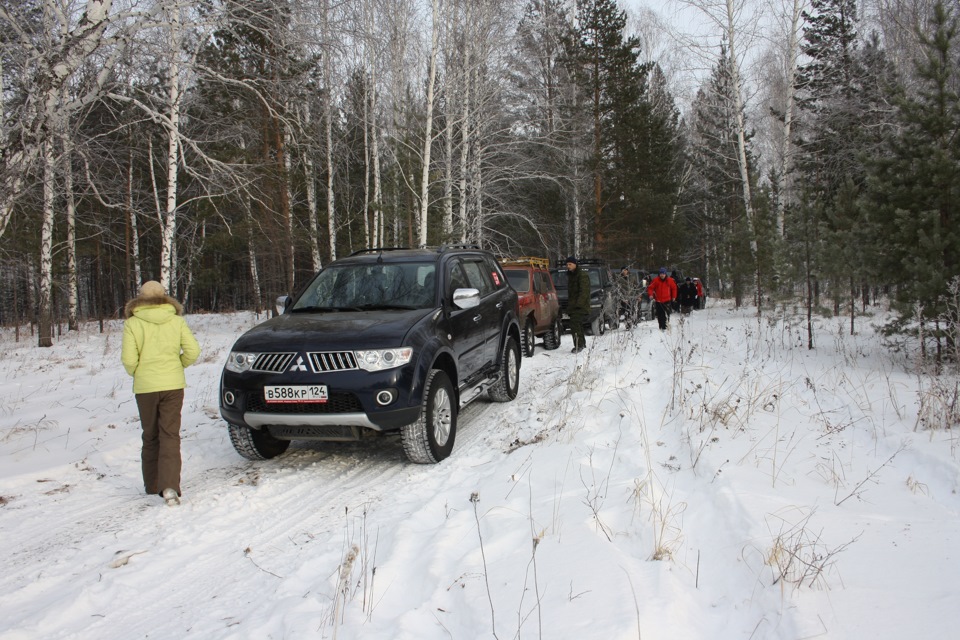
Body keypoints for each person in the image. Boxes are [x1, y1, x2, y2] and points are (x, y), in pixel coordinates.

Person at [122, 281, 201, 506]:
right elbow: (193, 351)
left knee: (150, 434)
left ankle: (152, 483)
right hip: (173, 384)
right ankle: (169, 487)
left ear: (140, 298)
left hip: (145, 386)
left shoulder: (132, 323)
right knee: (170, 434)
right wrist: (178, 365)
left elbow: (129, 360)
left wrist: (138, 372)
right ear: (164, 297)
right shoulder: (176, 321)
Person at [565, 257, 590, 352]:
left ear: (575, 264)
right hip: (573, 305)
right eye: (567, 265)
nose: (568, 266)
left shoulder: (581, 275)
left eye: (570, 264)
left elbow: (584, 291)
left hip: (580, 306)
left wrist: (578, 304)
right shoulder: (571, 275)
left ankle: (579, 345)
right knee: (577, 324)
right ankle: (582, 344)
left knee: (574, 323)